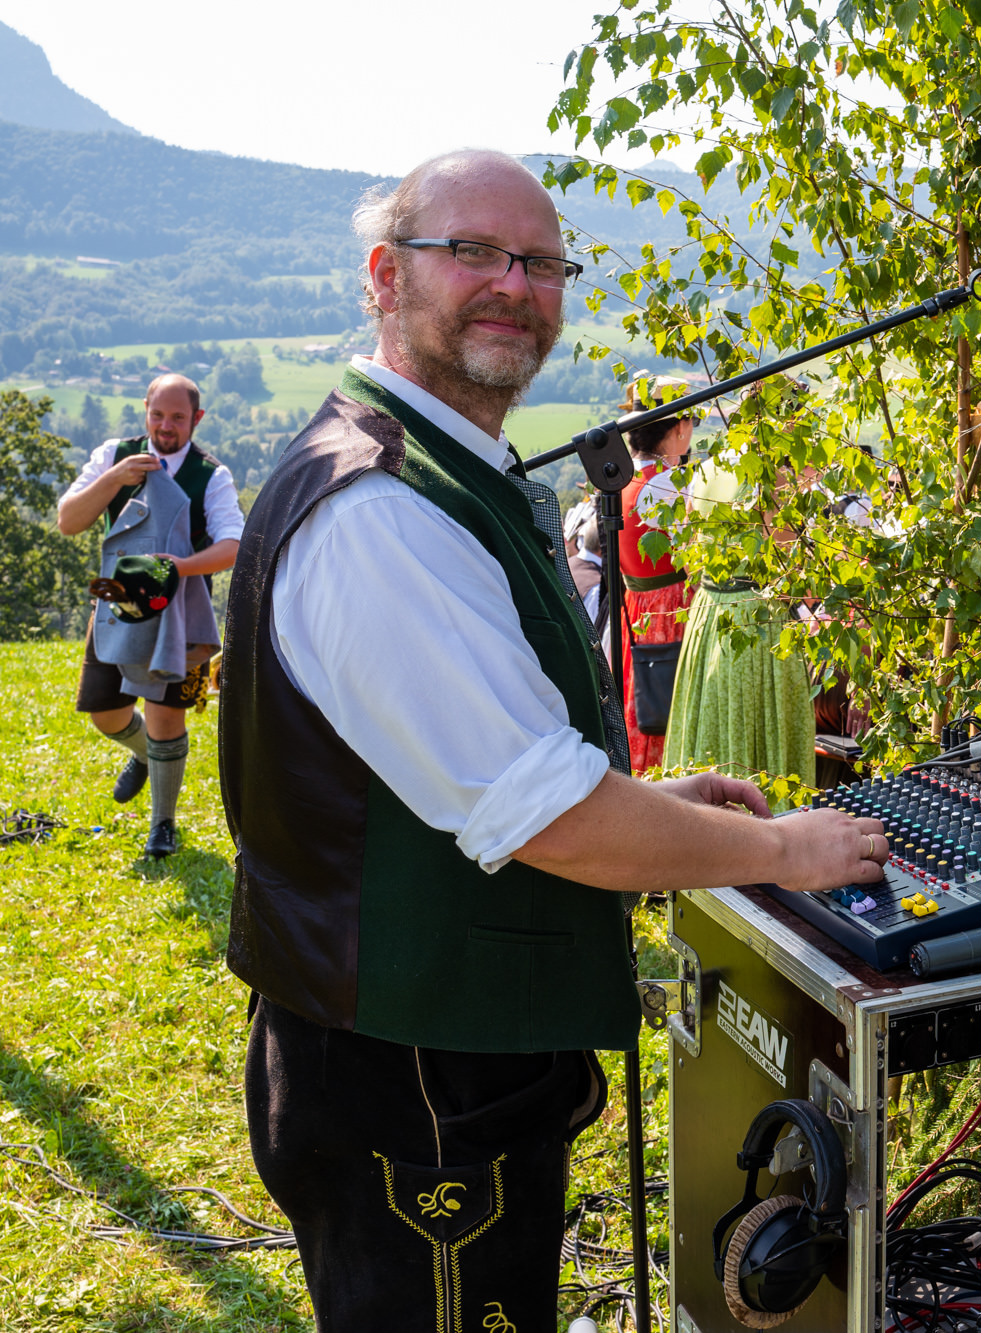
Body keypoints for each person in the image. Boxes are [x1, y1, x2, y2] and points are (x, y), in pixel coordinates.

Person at [216, 148, 888, 1333]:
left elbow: (483, 758)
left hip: (428, 1061)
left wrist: (656, 804)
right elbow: (548, 814)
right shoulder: (380, 509)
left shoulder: (426, 468)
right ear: (385, 275)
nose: (512, 285)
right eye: (471, 251)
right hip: (414, 1084)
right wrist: (786, 850)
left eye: (539, 263)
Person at [56, 373, 242, 858]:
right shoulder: (113, 455)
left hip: (182, 611)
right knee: (105, 713)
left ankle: (163, 825)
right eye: (157, 415)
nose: (165, 426)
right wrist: (113, 479)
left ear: (197, 419)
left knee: (166, 717)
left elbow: (233, 546)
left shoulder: (211, 475)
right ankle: (145, 757)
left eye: (178, 417)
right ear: (145, 409)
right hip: (118, 603)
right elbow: (68, 521)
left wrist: (178, 567)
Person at [661, 380, 818, 795]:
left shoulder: (706, 469)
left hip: (708, 612)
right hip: (756, 618)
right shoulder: (775, 476)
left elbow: (693, 555)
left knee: (709, 722)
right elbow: (790, 569)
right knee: (761, 729)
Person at [617, 383, 697, 774]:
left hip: (636, 607)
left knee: (643, 697)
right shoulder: (670, 486)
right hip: (670, 608)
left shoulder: (622, 480)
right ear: (679, 427)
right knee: (669, 702)